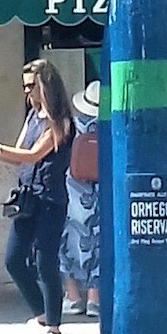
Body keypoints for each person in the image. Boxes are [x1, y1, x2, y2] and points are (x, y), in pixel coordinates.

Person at [0, 59, 74, 334]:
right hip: (27, 196)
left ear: (45, 86)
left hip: (50, 199)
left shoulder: (61, 121)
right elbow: (18, 156)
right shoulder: (32, 117)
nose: (27, 92)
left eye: (31, 86)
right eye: (25, 86)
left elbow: (33, 155)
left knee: (45, 262)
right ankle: (42, 314)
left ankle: (54, 324)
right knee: (13, 260)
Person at [59, 80, 100, 320]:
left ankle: (73, 296)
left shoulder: (72, 125)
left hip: (74, 191)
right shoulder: (111, 126)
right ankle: (95, 299)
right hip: (102, 190)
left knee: (67, 242)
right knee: (99, 242)